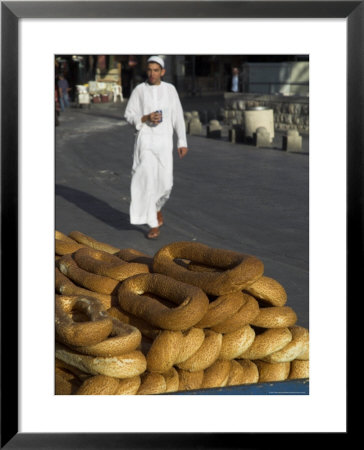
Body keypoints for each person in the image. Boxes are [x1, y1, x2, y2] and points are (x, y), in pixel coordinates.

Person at [124, 56, 188, 239]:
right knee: (146, 182)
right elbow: (128, 114)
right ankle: (153, 224)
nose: (152, 73)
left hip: (164, 142)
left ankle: (157, 208)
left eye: (155, 70)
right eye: (149, 70)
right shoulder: (140, 90)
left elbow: (178, 116)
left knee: (166, 184)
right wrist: (145, 118)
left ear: (163, 72)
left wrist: (182, 141)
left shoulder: (170, 90)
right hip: (145, 141)